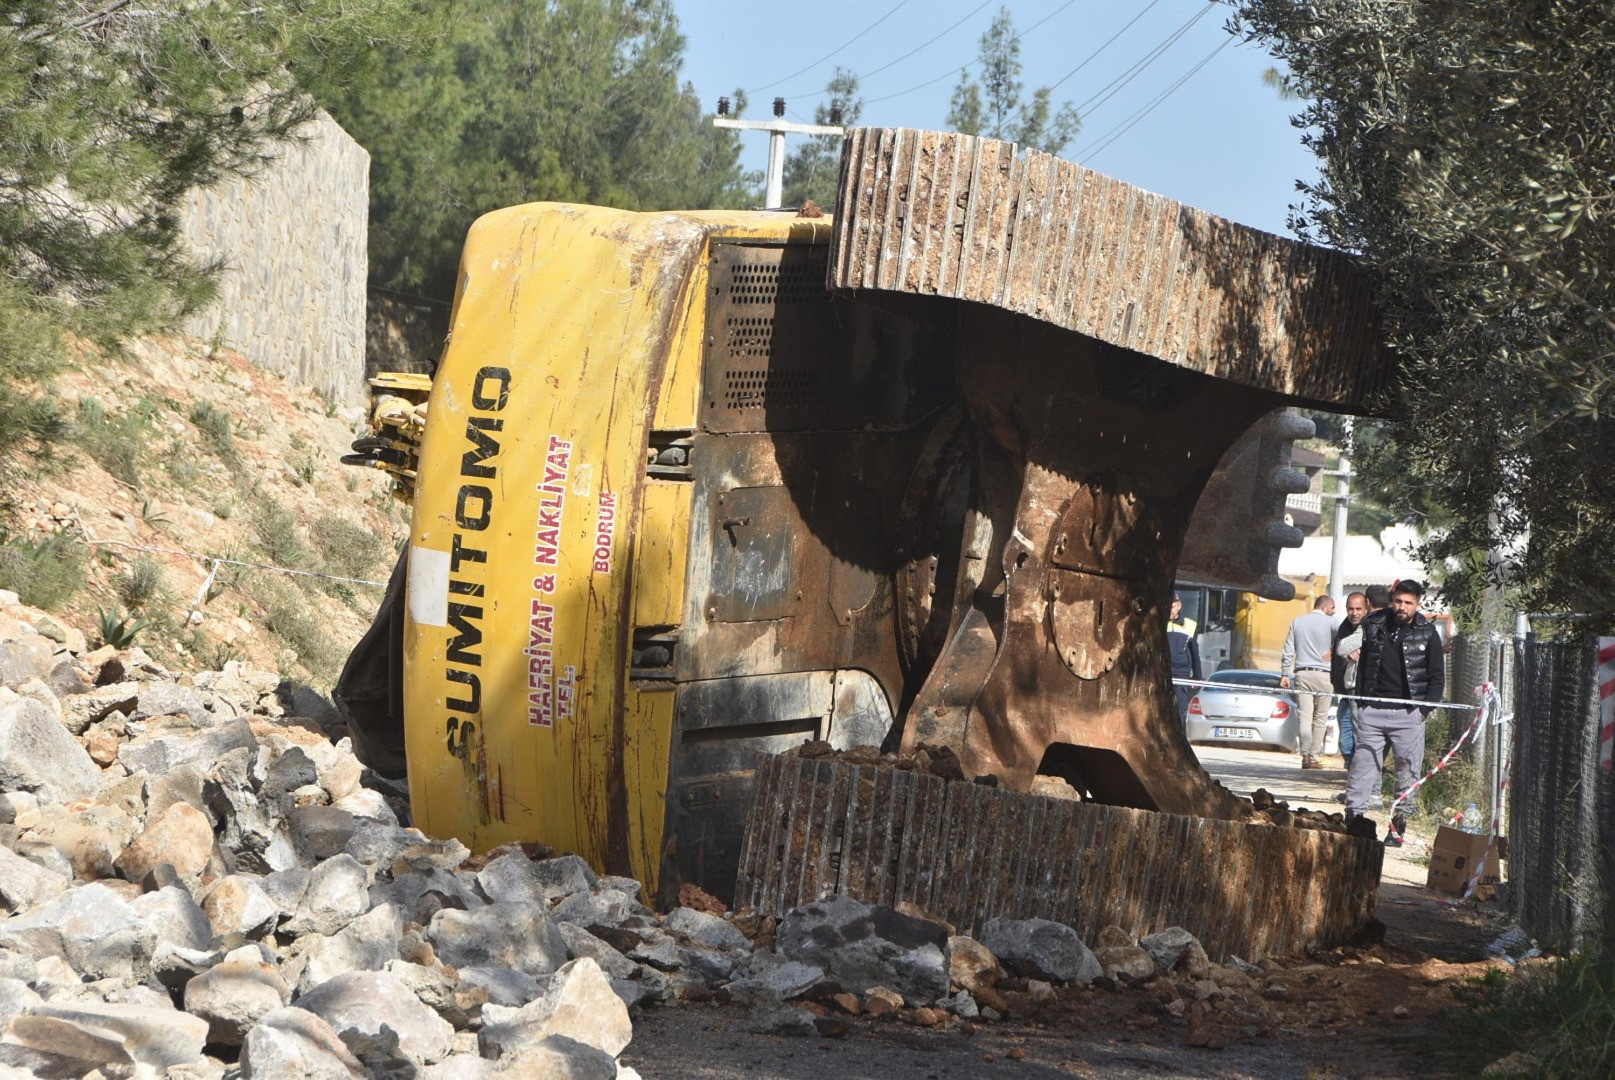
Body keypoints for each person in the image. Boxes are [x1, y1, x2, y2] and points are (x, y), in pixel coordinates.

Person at [1345, 579, 1446, 845]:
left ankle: (1397, 830)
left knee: (1407, 775)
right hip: (1373, 711)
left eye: (1408, 603)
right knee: (1362, 770)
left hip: (1409, 714)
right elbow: (1363, 662)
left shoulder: (1428, 632)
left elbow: (1437, 677)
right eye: (1398, 601)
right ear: (1392, 600)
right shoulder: (1374, 623)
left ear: (1417, 604)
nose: (1402, 607)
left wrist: (1422, 712)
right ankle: (1354, 823)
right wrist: (1361, 702)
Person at [1280, 595, 1336, 769]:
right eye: (1332, 608)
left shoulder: (1297, 622)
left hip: (1302, 674)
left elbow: (1288, 649)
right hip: (1325, 675)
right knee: (1320, 717)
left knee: (1305, 716)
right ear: (1325, 607)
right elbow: (1343, 643)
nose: (1334, 611)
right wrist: (1334, 651)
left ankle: (1304, 754)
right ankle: (1313, 755)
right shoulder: (1333, 623)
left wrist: (1284, 673)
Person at [1331, 591, 1369, 768]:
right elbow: (1338, 655)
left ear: (1366, 607)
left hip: (1361, 690)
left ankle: (1358, 771)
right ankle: (1349, 763)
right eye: (1350, 609)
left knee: (1357, 731)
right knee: (1345, 729)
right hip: (1344, 689)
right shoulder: (1344, 627)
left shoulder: (1370, 627)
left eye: (1358, 609)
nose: (1354, 613)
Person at [1166, 593, 1201, 722]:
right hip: (1161, 672)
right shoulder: (1157, 623)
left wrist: (1197, 676)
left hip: (1180, 674)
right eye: (1167, 607)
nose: (1169, 610)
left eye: (1172, 607)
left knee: (1179, 711)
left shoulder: (1189, 625)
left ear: (1179, 606)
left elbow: (1195, 653)